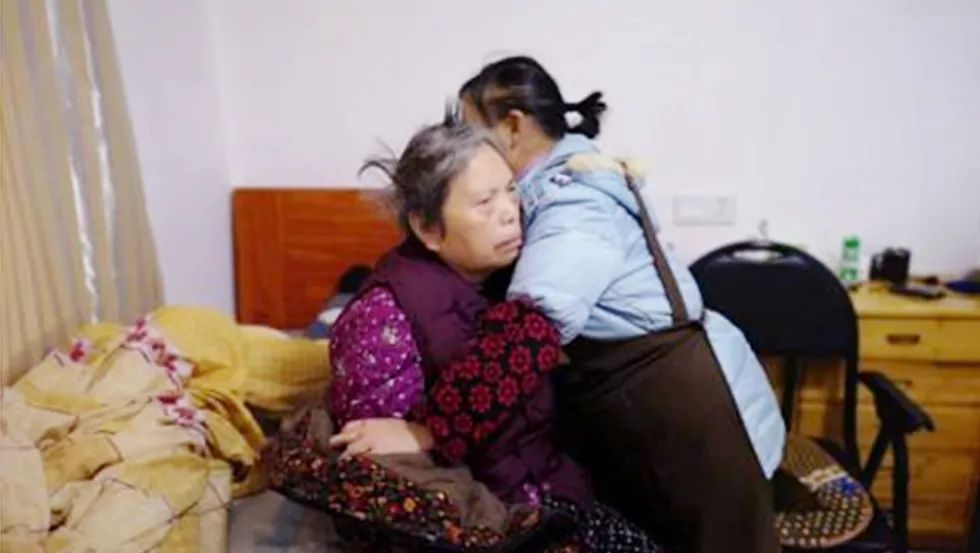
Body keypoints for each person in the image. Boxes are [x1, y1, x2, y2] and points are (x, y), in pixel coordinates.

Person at [346, 57, 786, 553]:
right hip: (643, 388)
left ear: (513, 127)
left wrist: (428, 430)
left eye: (471, 129)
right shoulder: (560, 184)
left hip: (678, 396)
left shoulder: (574, 205)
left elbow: (526, 334)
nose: (466, 145)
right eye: (485, 201)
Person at [269, 115, 661, 552]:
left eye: (510, 190)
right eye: (484, 202)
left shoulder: (511, 276)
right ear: (428, 229)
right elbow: (389, 480)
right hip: (490, 520)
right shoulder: (380, 321)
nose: (509, 212)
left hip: (548, 486)